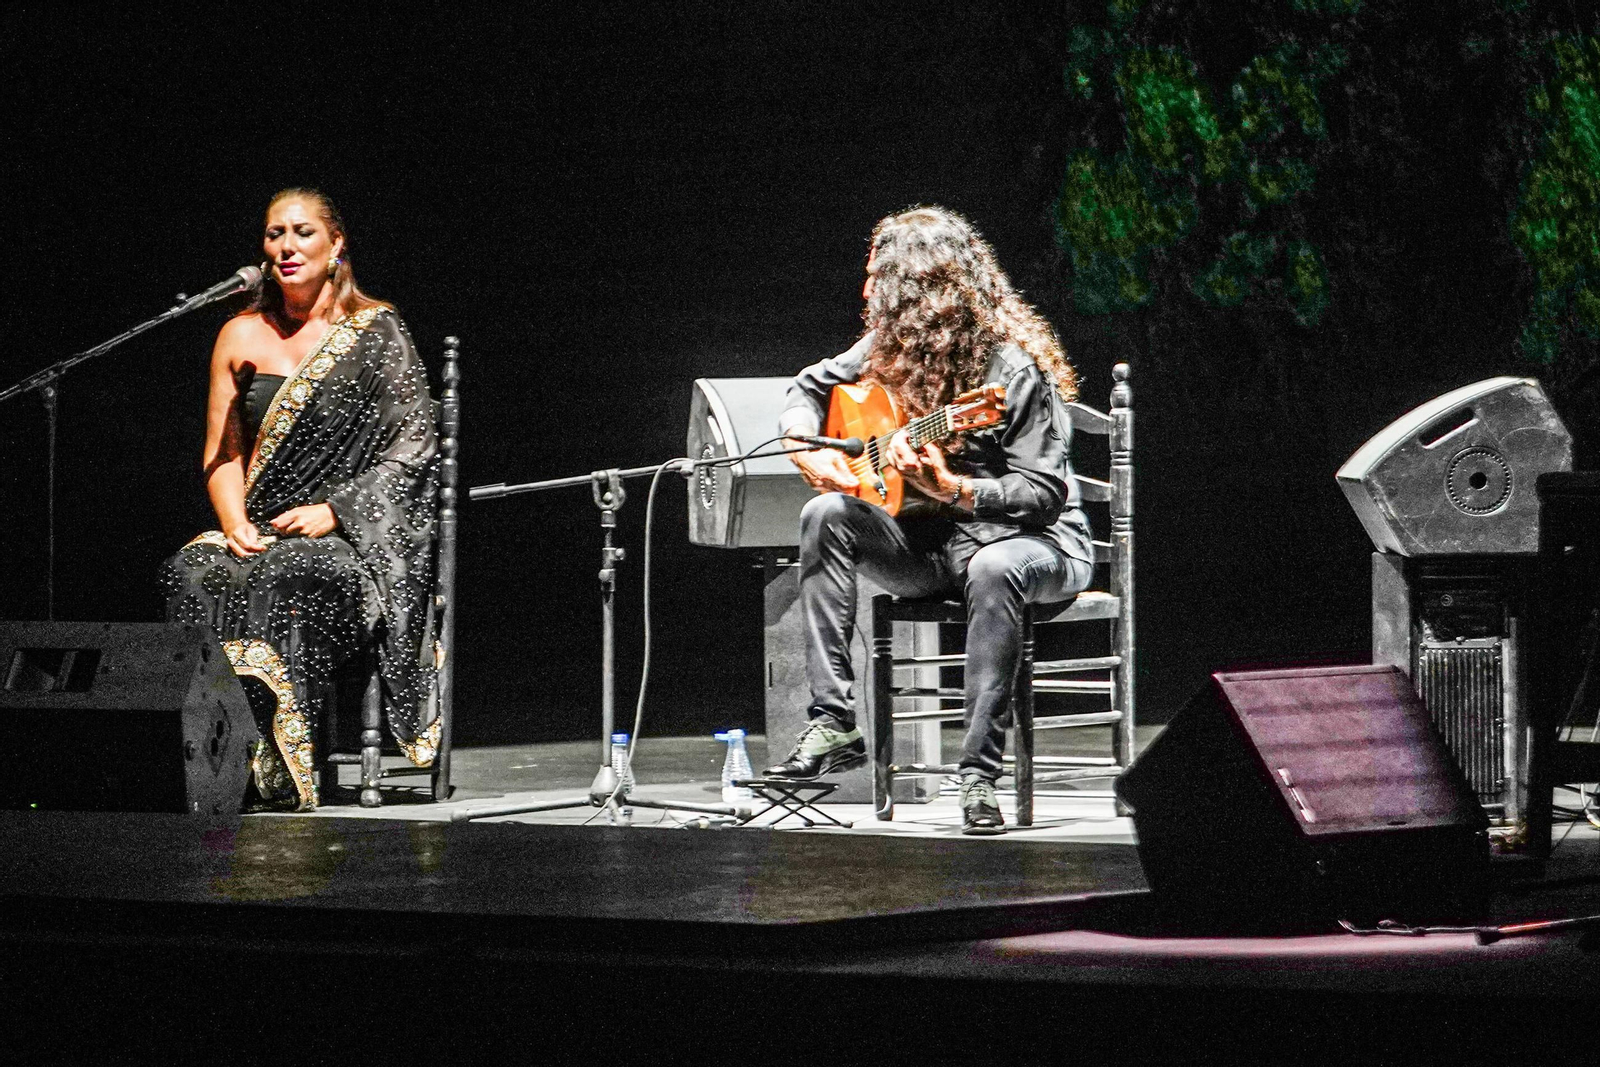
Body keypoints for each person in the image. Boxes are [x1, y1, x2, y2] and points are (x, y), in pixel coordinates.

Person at [766, 206, 1094, 834]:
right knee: (825, 513)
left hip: (1035, 547)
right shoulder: (889, 349)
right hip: (938, 552)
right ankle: (833, 721)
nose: (866, 292)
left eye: (877, 279)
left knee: (997, 567)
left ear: (916, 290)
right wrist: (802, 444)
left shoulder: (1011, 371)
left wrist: (955, 488)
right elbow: (809, 387)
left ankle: (976, 774)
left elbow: (1044, 492)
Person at [162, 188, 439, 811]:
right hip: (256, 527)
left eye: (302, 232)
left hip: (344, 540)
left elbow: (415, 449)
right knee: (189, 570)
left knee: (292, 574)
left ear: (336, 244)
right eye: (273, 234)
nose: (285, 247)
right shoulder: (238, 333)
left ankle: (280, 772)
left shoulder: (377, 331)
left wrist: (336, 509)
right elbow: (222, 454)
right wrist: (233, 523)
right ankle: (206, 768)